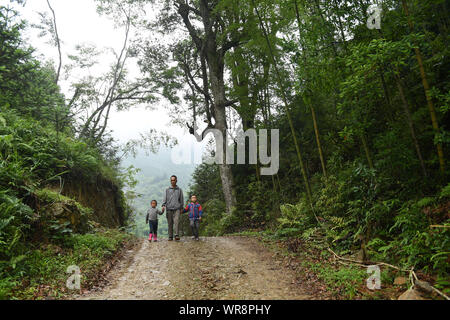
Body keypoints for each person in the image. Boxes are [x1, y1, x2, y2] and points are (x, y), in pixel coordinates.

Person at [161, 175, 184, 241]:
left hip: (177, 209)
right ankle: (170, 236)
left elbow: (181, 199)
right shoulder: (167, 190)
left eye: (174, 180)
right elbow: (164, 199)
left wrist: (181, 207)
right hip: (169, 208)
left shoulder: (179, 190)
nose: (173, 181)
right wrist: (163, 205)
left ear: (176, 181)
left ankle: (176, 235)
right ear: (170, 181)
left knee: (177, 222)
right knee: (170, 223)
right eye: (171, 180)